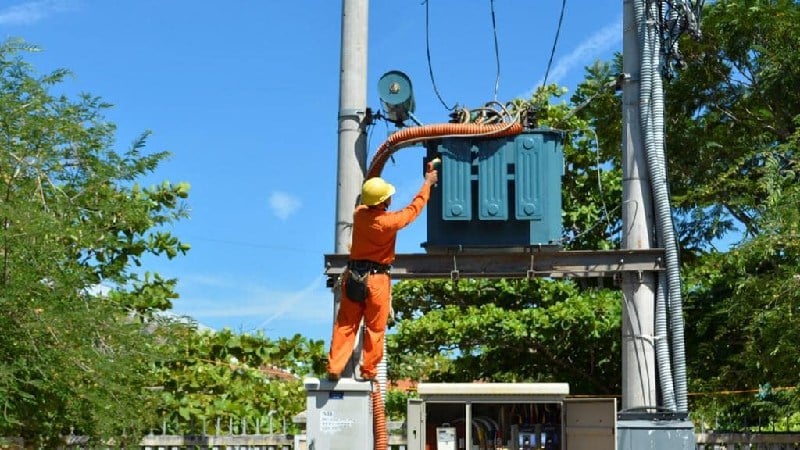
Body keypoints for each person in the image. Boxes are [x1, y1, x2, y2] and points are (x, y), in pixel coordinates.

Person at [327, 168, 438, 381]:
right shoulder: (389, 222)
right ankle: (368, 371)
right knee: (375, 328)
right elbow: (413, 209)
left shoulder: (359, 214)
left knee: (345, 325)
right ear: (383, 201)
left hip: (354, 275)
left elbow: (367, 203)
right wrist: (427, 183)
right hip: (377, 280)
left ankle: (334, 367)